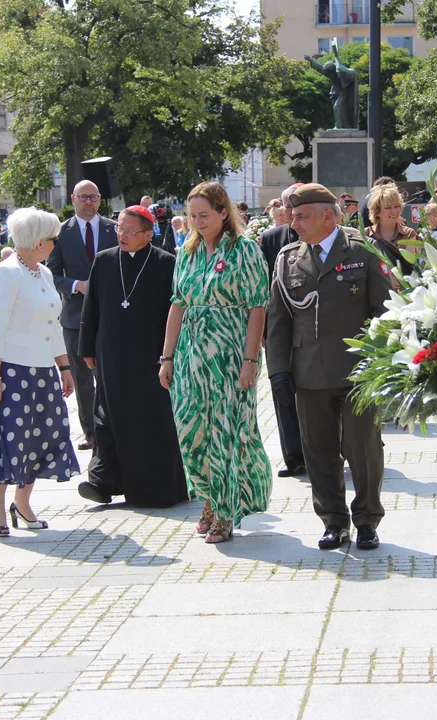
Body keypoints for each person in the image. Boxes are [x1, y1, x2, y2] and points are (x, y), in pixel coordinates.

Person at [267, 183, 390, 550]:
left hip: (358, 370)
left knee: (363, 446)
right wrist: (278, 371)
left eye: (302, 215)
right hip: (309, 371)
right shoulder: (288, 258)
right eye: (292, 215)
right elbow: (278, 319)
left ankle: (367, 519)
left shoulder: (363, 252)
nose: (294, 222)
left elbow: (385, 311)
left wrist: (381, 364)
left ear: (329, 216)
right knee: (318, 451)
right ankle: (334, 522)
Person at [159, 181, 271, 544]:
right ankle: (210, 497)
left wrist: (250, 360)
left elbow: (257, 307)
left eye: (204, 215)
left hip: (230, 353)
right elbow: (177, 304)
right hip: (192, 355)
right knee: (192, 430)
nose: (197, 222)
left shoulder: (246, 251)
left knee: (225, 431)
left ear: (224, 212)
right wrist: (167, 356)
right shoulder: (187, 252)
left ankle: (225, 511)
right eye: (191, 216)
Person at [0, 207, 80, 536]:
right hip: (8, 370)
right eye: (52, 239)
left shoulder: (43, 273)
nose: (55, 244)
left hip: (41, 369)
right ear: (36, 242)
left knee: (40, 438)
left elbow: (54, 325)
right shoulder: (6, 274)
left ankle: (23, 502)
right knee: (7, 440)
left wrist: (64, 366)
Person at [77, 206, 188, 508]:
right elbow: (92, 308)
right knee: (107, 415)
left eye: (129, 231)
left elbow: (175, 312)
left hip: (149, 355)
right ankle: (102, 482)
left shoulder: (167, 264)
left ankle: (158, 488)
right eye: (119, 229)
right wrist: (87, 348)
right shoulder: (104, 261)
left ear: (148, 234)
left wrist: (171, 354)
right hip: (110, 351)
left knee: (149, 419)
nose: (122, 235)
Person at [45, 180, 117, 451]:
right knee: (83, 379)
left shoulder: (115, 229)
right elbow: (52, 274)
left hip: (110, 317)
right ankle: (90, 432)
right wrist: (77, 285)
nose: (88, 202)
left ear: (100, 200)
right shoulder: (61, 233)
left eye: (93, 197)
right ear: (73, 199)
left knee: (108, 376)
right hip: (75, 319)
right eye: (83, 197)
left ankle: (111, 427)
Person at [258, 183, 308, 479]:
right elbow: (263, 286)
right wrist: (263, 329)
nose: (292, 213)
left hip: (314, 330)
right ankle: (293, 455)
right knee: (281, 387)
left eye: (298, 207)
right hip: (279, 328)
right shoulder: (270, 238)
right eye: (288, 207)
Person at [365, 181, 419, 277]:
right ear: (377, 211)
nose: (394, 211)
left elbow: (411, 268)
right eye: (388, 207)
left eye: (397, 206)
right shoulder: (365, 235)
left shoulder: (409, 234)